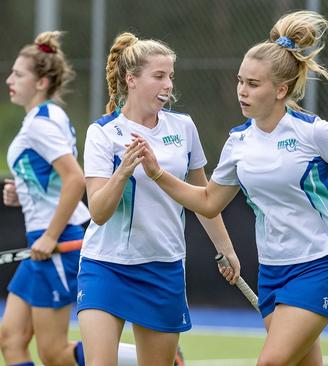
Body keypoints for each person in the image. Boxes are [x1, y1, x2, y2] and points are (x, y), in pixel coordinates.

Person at [135, 10, 328, 365]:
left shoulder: (314, 132)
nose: (242, 91)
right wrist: (158, 174)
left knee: (269, 363)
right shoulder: (238, 142)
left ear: (281, 89)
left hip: (316, 263)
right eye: (240, 81)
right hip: (271, 269)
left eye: (253, 84)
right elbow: (207, 203)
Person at [76, 32, 240, 366]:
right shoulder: (103, 133)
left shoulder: (183, 128)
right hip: (105, 265)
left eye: (170, 76)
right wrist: (122, 172)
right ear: (131, 79)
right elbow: (99, 212)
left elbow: (203, 198)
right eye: (159, 76)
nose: (168, 85)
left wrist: (226, 249)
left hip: (162, 266)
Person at [0, 31, 140, 366]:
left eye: (19, 74)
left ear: (42, 82)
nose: (10, 79)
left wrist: (50, 236)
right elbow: (51, 180)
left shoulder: (41, 125)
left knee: (54, 353)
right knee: (10, 338)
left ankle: (156, 358)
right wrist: (24, 192)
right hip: (43, 238)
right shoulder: (46, 117)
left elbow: (75, 179)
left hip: (56, 240)